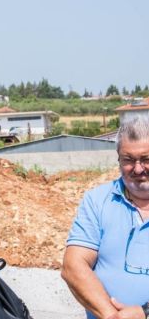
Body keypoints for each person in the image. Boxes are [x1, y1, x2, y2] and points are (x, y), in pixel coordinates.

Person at [62, 118, 149, 319]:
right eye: (128, 159)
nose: (137, 169)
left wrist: (144, 313)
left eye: (146, 159)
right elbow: (73, 266)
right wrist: (111, 316)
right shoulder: (97, 200)